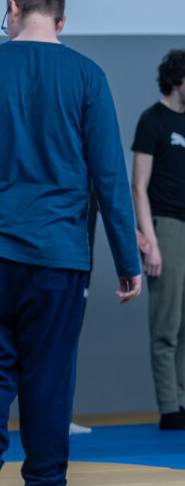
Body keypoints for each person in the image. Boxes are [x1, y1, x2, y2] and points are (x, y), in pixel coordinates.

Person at [0, 0, 142, 484]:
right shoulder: (88, 75)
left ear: (12, 9)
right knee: (49, 374)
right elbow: (110, 178)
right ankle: (45, 479)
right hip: (60, 256)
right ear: (61, 21)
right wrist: (128, 261)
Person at [132, 50, 185, 431]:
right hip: (165, 225)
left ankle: (182, 399)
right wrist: (150, 241)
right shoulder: (153, 120)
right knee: (167, 323)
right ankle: (169, 407)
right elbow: (139, 186)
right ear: (178, 79)